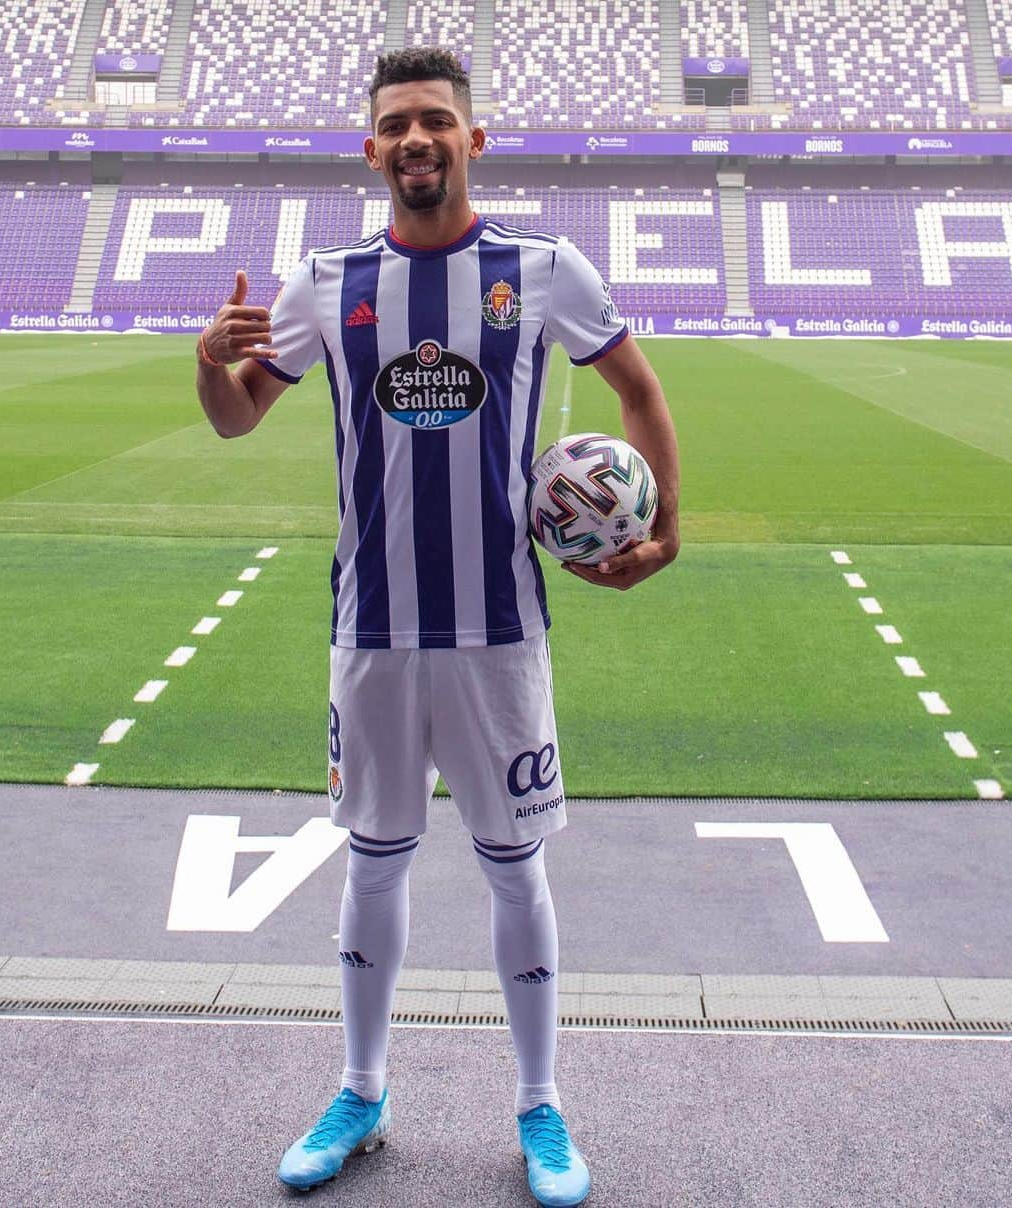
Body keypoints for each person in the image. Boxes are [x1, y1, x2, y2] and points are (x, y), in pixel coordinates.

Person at [195, 46, 679, 1208]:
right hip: (372, 631)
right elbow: (233, 420)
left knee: (516, 866)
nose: (417, 138)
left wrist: (665, 535)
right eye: (397, 124)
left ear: (473, 140)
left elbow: (641, 392)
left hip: (499, 630)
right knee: (373, 862)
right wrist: (208, 364)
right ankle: (361, 1089)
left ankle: (540, 1105)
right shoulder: (324, 284)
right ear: (371, 150)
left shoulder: (540, 268)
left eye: (436, 121)